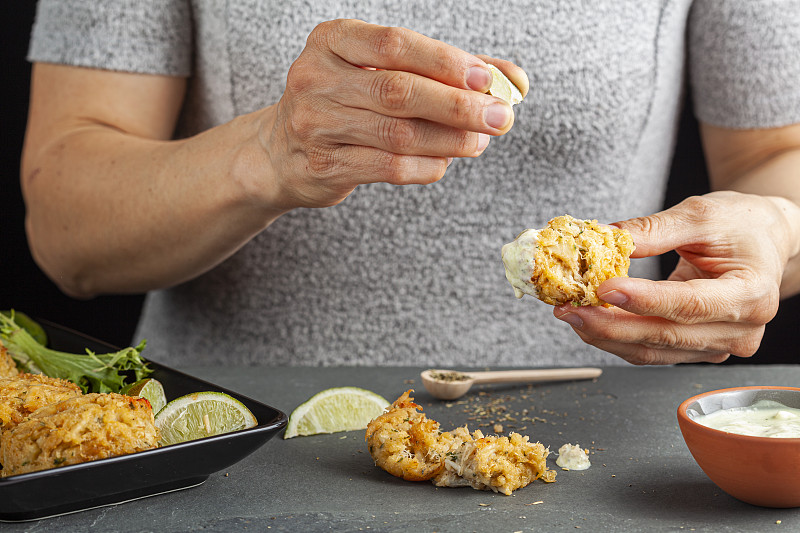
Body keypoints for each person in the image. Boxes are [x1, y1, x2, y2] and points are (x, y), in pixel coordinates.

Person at [21, 1, 800, 367]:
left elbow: (778, 154)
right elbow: (64, 230)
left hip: (592, 458)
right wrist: (268, 150)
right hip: (233, 448)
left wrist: (776, 232)